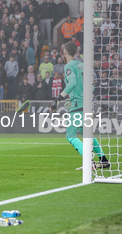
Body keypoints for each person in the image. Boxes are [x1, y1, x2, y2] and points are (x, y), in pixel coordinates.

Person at [50, 41, 109, 169]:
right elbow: (91, 84)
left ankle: (89, 162)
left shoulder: (68, 66)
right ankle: (103, 160)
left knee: (70, 135)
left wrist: (59, 98)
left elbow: (72, 83)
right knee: (86, 133)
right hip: (86, 103)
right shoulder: (82, 65)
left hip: (77, 105)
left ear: (64, 52)